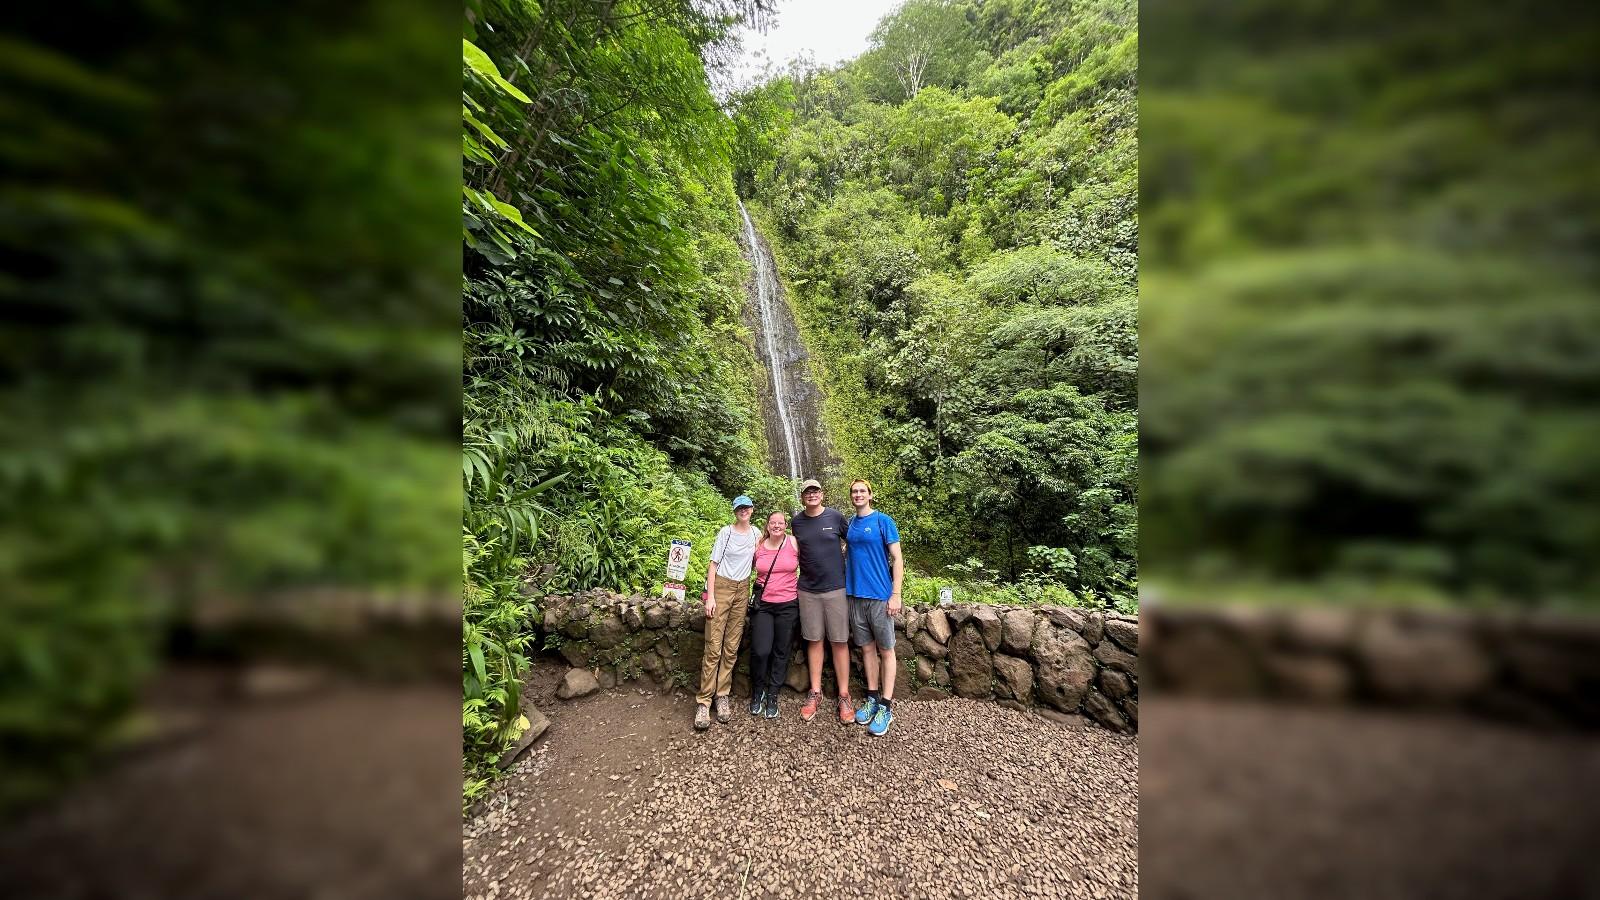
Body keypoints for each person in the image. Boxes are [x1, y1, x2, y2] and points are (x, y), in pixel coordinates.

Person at [789, 478, 855, 723]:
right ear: (802, 496)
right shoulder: (796, 522)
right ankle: (815, 692)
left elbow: (854, 543)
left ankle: (844, 695)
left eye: (815, 491)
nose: (812, 494)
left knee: (839, 641)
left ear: (822, 494)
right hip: (807, 589)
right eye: (807, 492)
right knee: (814, 640)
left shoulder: (836, 517)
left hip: (836, 587)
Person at [845, 478, 903, 736]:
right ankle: (871, 698)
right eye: (854, 492)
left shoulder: (883, 521)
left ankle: (886, 707)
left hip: (880, 596)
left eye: (862, 491)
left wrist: (896, 594)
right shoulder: (850, 525)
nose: (858, 495)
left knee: (886, 650)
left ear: (870, 495)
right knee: (867, 649)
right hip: (855, 596)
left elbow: (898, 558)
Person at [695, 495, 758, 731]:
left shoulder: (756, 534)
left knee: (731, 647)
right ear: (735, 511)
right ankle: (703, 701)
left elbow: (757, 562)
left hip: (743, 588)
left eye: (746, 507)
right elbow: (713, 564)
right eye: (739, 508)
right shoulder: (726, 532)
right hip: (721, 586)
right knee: (713, 646)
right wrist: (710, 596)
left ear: (752, 510)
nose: (743, 511)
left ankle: (722, 695)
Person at [747, 510, 800, 719]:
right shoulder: (759, 545)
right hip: (764, 606)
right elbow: (744, 568)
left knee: (781, 650)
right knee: (760, 650)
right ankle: (757, 690)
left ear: (785, 525)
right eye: (772, 523)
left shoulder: (794, 543)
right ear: (767, 526)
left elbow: (809, 566)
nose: (776, 526)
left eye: (780, 523)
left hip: (788, 604)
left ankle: (773, 694)